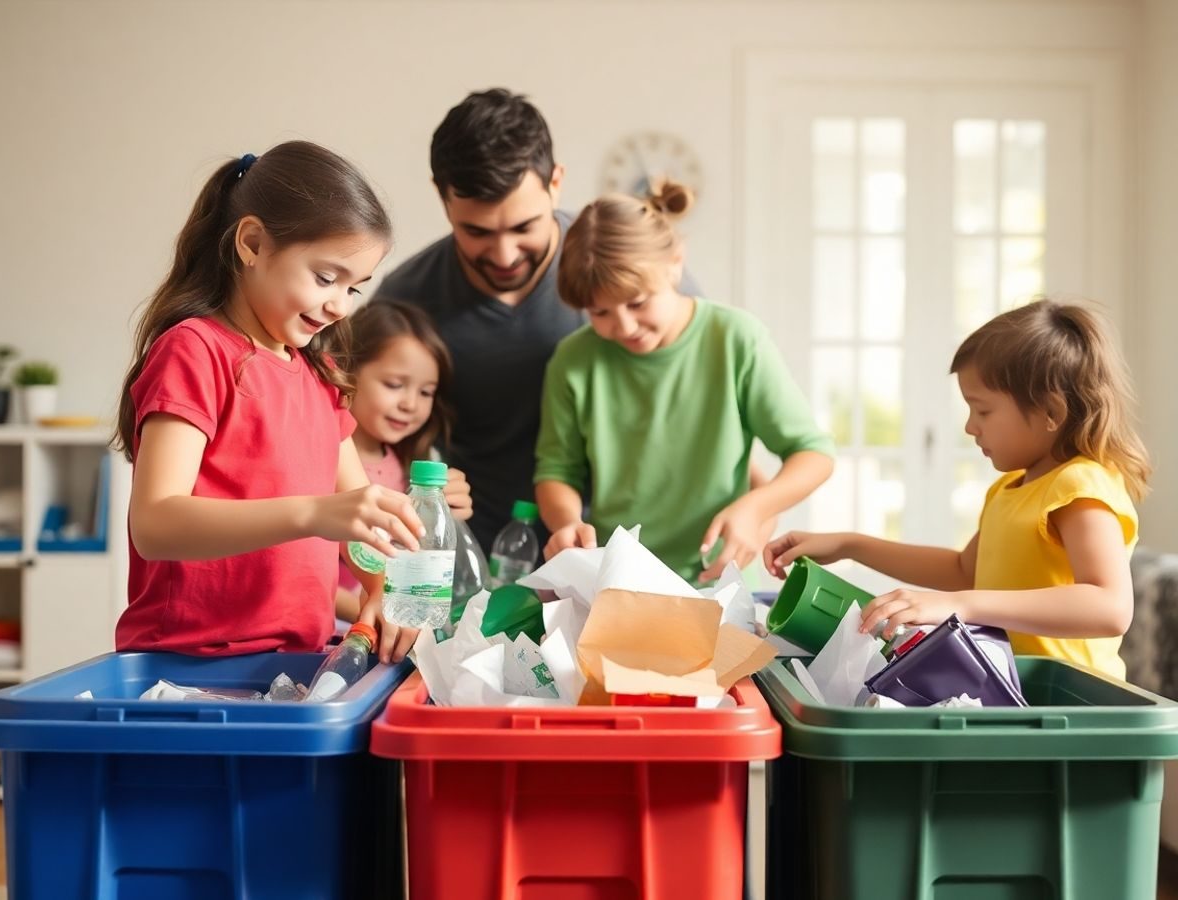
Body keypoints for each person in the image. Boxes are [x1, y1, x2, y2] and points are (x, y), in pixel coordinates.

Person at [113, 141, 424, 665]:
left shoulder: (318, 375)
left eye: (355, 288)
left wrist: (383, 589)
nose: (338, 305)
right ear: (252, 243)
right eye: (326, 278)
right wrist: (312, 514)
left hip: (295, 662)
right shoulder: (194, 350)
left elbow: (360, 519)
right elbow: (155, 526)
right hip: (188, 665)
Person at [376, 87, 698, 554]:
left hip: (622, 551)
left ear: (556, 182)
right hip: (476, 558)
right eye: (477, 232)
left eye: (523, 227)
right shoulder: (407, 301)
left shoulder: (623, 266)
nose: (504, 254)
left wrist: (756, 500)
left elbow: (711, 389)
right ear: (442, 198)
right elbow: (361, 442)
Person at [765, 299, 1150, 680]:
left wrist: (960, 605)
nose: (970, 427)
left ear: (1051, 413)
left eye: (983, 410)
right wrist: (849, 544)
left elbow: (1110, 606)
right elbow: (965, 571)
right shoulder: (1009, 488)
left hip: (1075, 706)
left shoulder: (1079, 485)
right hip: (1017, 695)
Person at [535, 183, 835, 583]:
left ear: (676, 263)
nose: (624, 326)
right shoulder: (573, 361)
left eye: (638, 302)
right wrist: (567, 522)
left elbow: (813, 453)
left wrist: (755, 508)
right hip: (618, 583)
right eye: (599, 312)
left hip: (722, 582)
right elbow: (557, 471)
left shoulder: (735, 339)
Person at [334, 300, 474, 622]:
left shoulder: (416, 463)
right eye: (394, 385)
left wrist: (449, 515)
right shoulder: (323, 459)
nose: (410, 404)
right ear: (346, 370)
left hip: (395, 627)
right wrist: (375, 610)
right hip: (336, 630)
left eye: (426, 392)